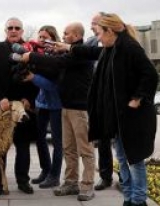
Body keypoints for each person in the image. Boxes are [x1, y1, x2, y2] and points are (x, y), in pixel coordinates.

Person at [53, 13, 159, 206]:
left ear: (110, 31)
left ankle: (138, 200)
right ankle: (128, 198)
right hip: (117, 118)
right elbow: (89, 53)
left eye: (100, 33)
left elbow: (150, 74)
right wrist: (68, 47)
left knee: (134, 161)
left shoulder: (130, 48)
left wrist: (137, 98)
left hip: (132, 118)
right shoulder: (111, 49)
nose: (99, 39)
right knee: (122, 159)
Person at [21, 22, 95, 201]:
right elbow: (56, 64)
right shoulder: (69, 51)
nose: (63, 36)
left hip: (79, 108)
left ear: (76, 35)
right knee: (68, 148)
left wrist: (32, 55)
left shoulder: (81, 51)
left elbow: (56, 63)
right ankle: (71, 183)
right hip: (66, 107)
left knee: (85, 149)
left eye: (66, 33)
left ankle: (87, 186)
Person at [0, 17, 39, 196]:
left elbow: (35, 76)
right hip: (2, 106)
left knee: (23, 146)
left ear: (22, 31)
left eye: (17, 28)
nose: (14, 30)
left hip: (24, 106)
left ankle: (23, 181)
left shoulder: (31, 50)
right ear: (6, 30)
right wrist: (0, 97)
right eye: (10, 28)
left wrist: (29, 99)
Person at [24, 25, 63, 189]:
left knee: (57, 142)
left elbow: (55, 86)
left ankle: (54, 175)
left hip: (56, 104)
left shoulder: (60, 55)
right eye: (40, 37)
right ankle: (45, 170)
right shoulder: (39, 55)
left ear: (53, 39)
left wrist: (33, 77)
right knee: (40, 139)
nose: (41, 40)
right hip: (42, 103)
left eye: (45, 37)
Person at [86, 12, 114, 191]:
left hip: (112, 96)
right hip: (95, 97)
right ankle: (105, 177)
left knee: (119, 142)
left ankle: (127, 177)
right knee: (102, 141)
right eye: (91, 23)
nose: (92, 26)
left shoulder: (112, 41)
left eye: (95, 23)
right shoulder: (89, 41)